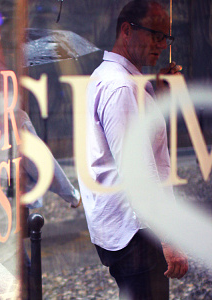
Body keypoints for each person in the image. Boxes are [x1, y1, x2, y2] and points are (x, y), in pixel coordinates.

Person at [77, 1, 188, 299]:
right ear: (127, 31)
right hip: (137, 231)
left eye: (166, 38)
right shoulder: (121, 87)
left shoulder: (117, 78)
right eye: (155, 35)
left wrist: (157, 94)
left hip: (128, 229)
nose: (162, 45)